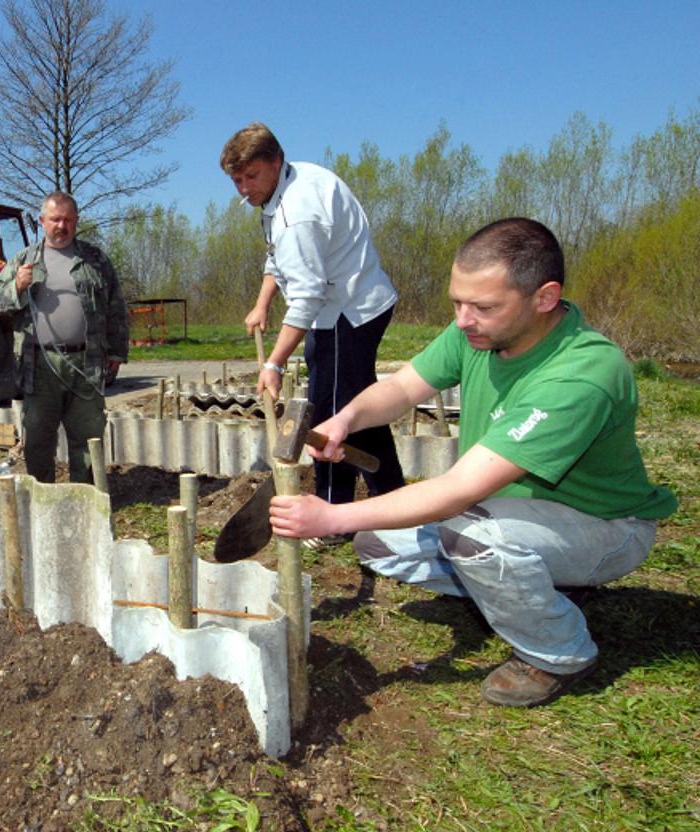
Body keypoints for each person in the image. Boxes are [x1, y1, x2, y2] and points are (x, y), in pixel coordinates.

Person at [269, 218, 677, 707]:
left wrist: (332, 515)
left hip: (604, 528)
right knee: (376, 544)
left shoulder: (581, 374)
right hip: (506, 511)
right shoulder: (477, 332)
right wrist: (347, 419)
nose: (463, 319)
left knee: (470, 533)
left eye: (482, 306)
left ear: (544, 298)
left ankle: (558, 652)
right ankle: (535, 586)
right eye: (457, 302)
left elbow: (459, 490)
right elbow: (402, 387)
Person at [221, 122, 406, 541]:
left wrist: (274, 363)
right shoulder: (283, 190)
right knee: (353, 409)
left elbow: (305, 297)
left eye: (251, 177)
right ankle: (392, 499)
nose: (244, 189)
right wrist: (263, 302)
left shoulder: (296, 214)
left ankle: (332, 513)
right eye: (237, 180)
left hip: (347, 313)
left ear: (275, 162)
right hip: (339, 307)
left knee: (333, 418)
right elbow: (279, 260)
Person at [0, 191, 128, 484]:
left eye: (68, 220)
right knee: (38, 438)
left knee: (89, 437)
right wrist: (17, 286)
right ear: (42, 221)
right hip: (39, 365)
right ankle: (43, 498)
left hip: (86, 362)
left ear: (76, 222)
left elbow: (116, 307)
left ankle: (86, 498)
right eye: (55, 219)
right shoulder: (25, 260)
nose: (61, 226)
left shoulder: (94, 260)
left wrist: (116, 352)